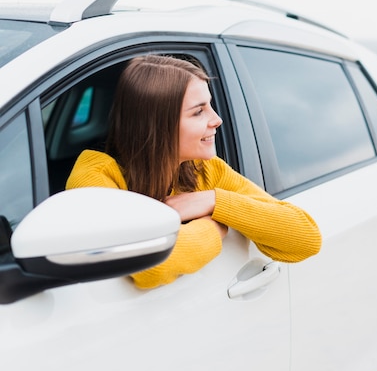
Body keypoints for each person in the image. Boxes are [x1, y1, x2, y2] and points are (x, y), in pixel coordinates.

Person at [66, 55, 322, 289]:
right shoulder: (95, 177)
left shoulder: (207, 172)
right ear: (155, 125)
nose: (217, 119)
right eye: (199, 111)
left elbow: (306, 237)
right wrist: (215, 225)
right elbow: (152, 266)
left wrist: (214, 200)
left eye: (209, 106)